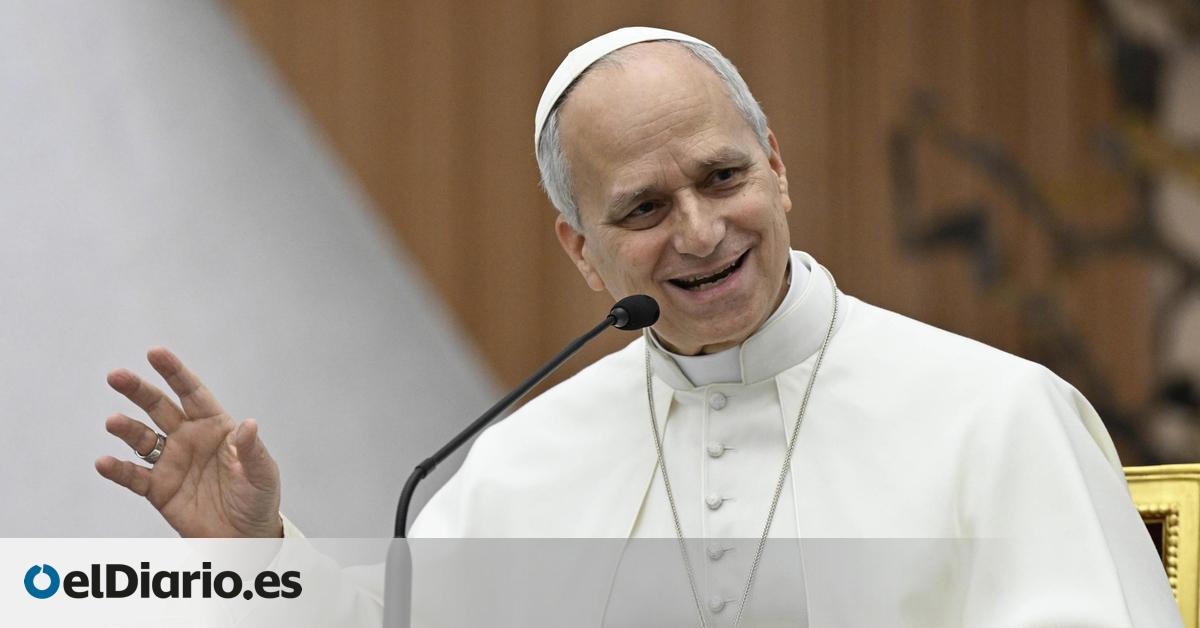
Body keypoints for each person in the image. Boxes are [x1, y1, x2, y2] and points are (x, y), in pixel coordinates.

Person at [96, 27, 1182, 625]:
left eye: (723, 177)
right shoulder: (523, 464)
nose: (701, 232)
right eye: (645, 209)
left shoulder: (999, 414)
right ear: (582, 249)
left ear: (778, 168)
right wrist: (256, 560)